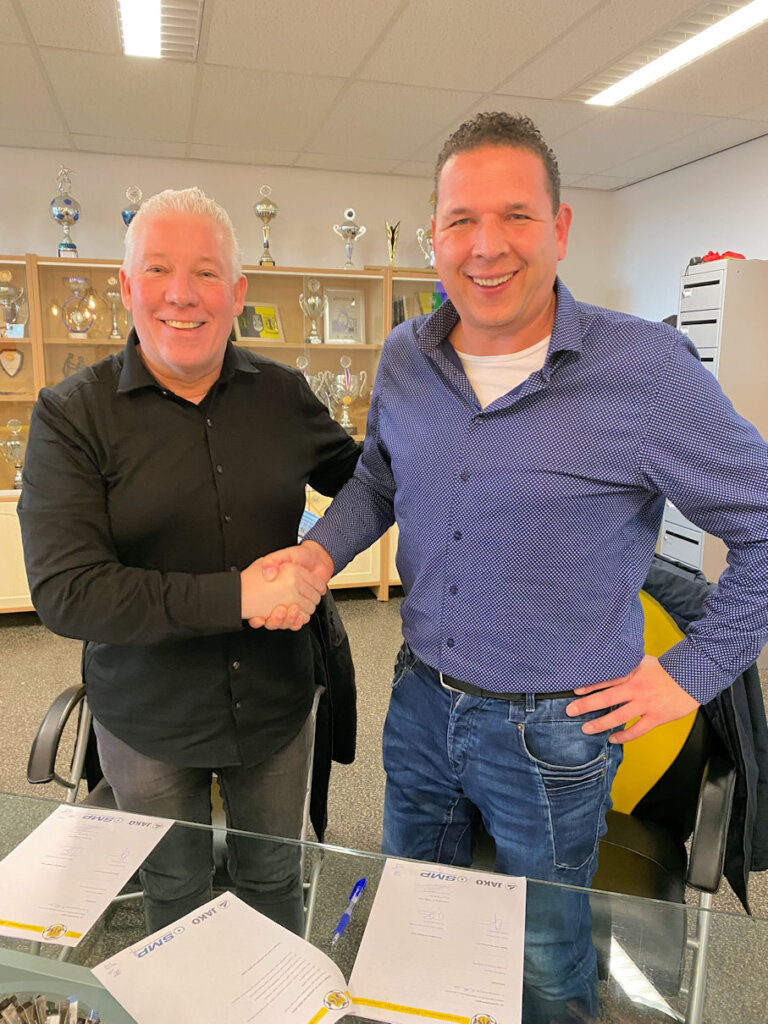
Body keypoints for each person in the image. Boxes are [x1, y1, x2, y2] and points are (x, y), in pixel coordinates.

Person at [255, 112, 768, 1020]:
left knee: (545, 962)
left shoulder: (646, 371)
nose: (486, 245)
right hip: (421, 698)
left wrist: (690, 674)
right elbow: (380, 479)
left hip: (555, 731)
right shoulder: (407, 356)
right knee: (415, 926)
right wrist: (319, 550)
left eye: (516, 216)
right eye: (461, 220)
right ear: (434, 236)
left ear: (559, 227)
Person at [18, 187, 359, 935]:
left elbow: (368, 481)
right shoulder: (71, 415)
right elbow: (68, 592)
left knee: (273, 879)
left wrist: (321, 552)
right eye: (159, 270)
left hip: (274, 705)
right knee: (174, 892)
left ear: (237, 293)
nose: (181, 294)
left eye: (206, 272)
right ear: (126, 286)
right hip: (148, 717)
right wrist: (238, 597)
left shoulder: (283, 395)